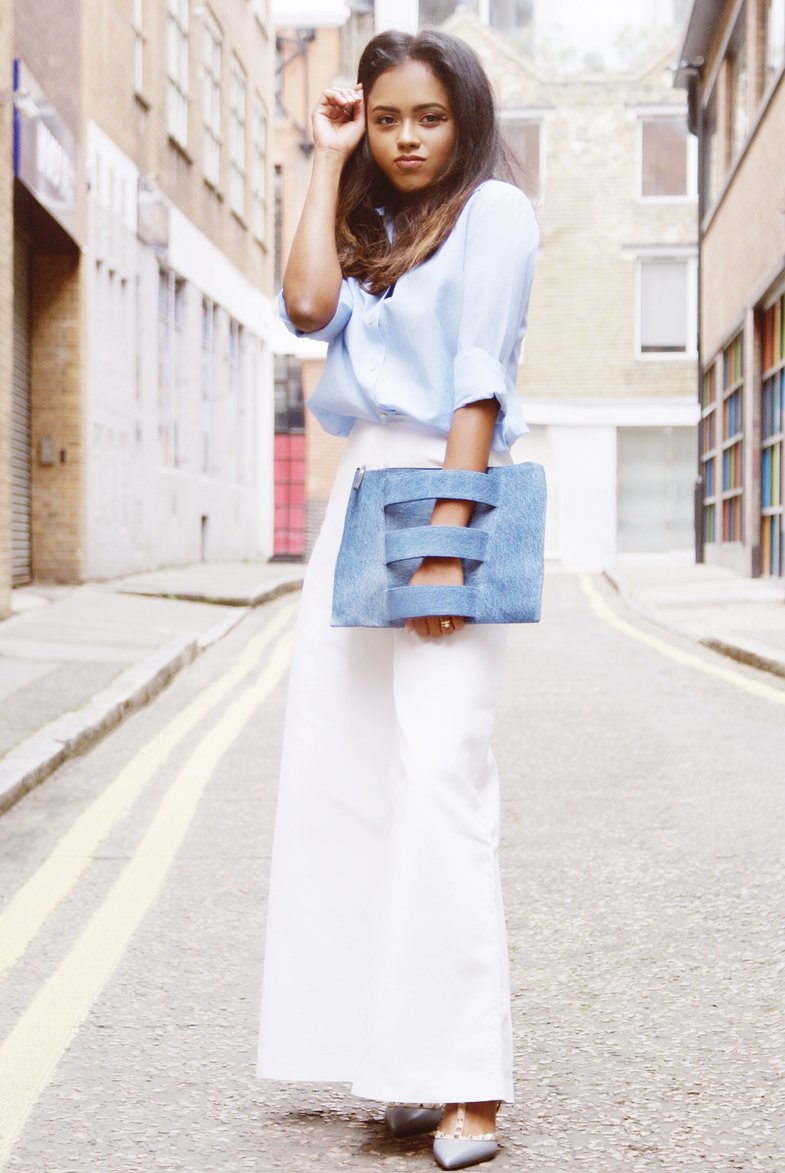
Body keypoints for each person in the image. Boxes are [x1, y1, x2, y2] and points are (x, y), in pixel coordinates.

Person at [257, 27, 539, 1172]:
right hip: (359, 498)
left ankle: (470, 1081)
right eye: (385, 118)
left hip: (442, 493)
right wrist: (325, 160)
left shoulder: (495, 216)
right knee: (351, 782)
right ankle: (398, 1065)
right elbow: (303, 307)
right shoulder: (369, 218)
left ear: (463, 119)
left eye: (428, 117)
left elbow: (480, 380)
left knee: (441, 779)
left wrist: (445, 547)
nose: (407, 137)